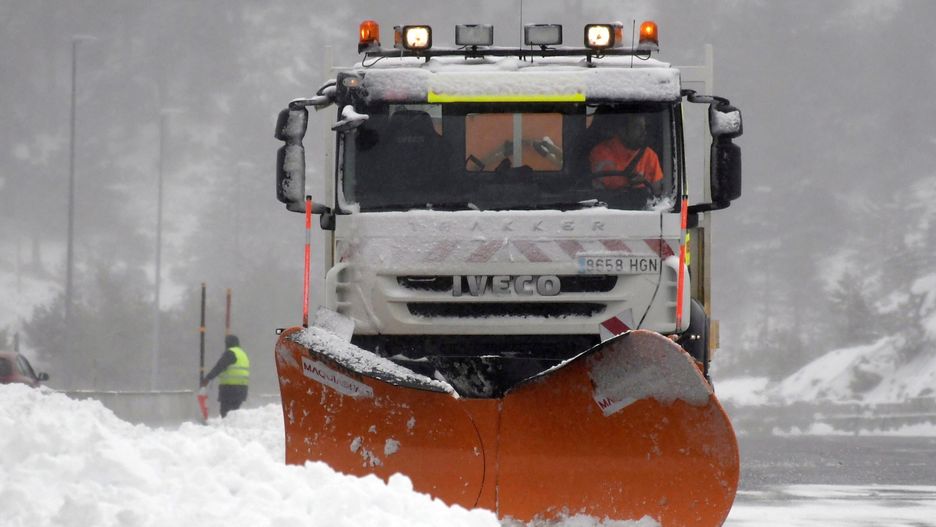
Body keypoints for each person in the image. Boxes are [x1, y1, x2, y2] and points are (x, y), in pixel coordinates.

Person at [587, 109, 664, 193]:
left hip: (639, 205)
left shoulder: (651, 156)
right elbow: (594, 189)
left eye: (644, 127)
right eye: (637, 127)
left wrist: (642, 185)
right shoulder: (599, 153)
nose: (644, 132)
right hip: (605, 205)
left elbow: (657, 195)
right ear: (622, 130)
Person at [201, 334, 250, 417]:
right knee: (235, 413)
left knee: (226, 412)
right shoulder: (242, 354)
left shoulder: (230, 353)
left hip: (230, 388)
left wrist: (208, 379)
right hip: (242, 389)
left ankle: (226, 428)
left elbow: (219, 367)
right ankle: (234, 428)